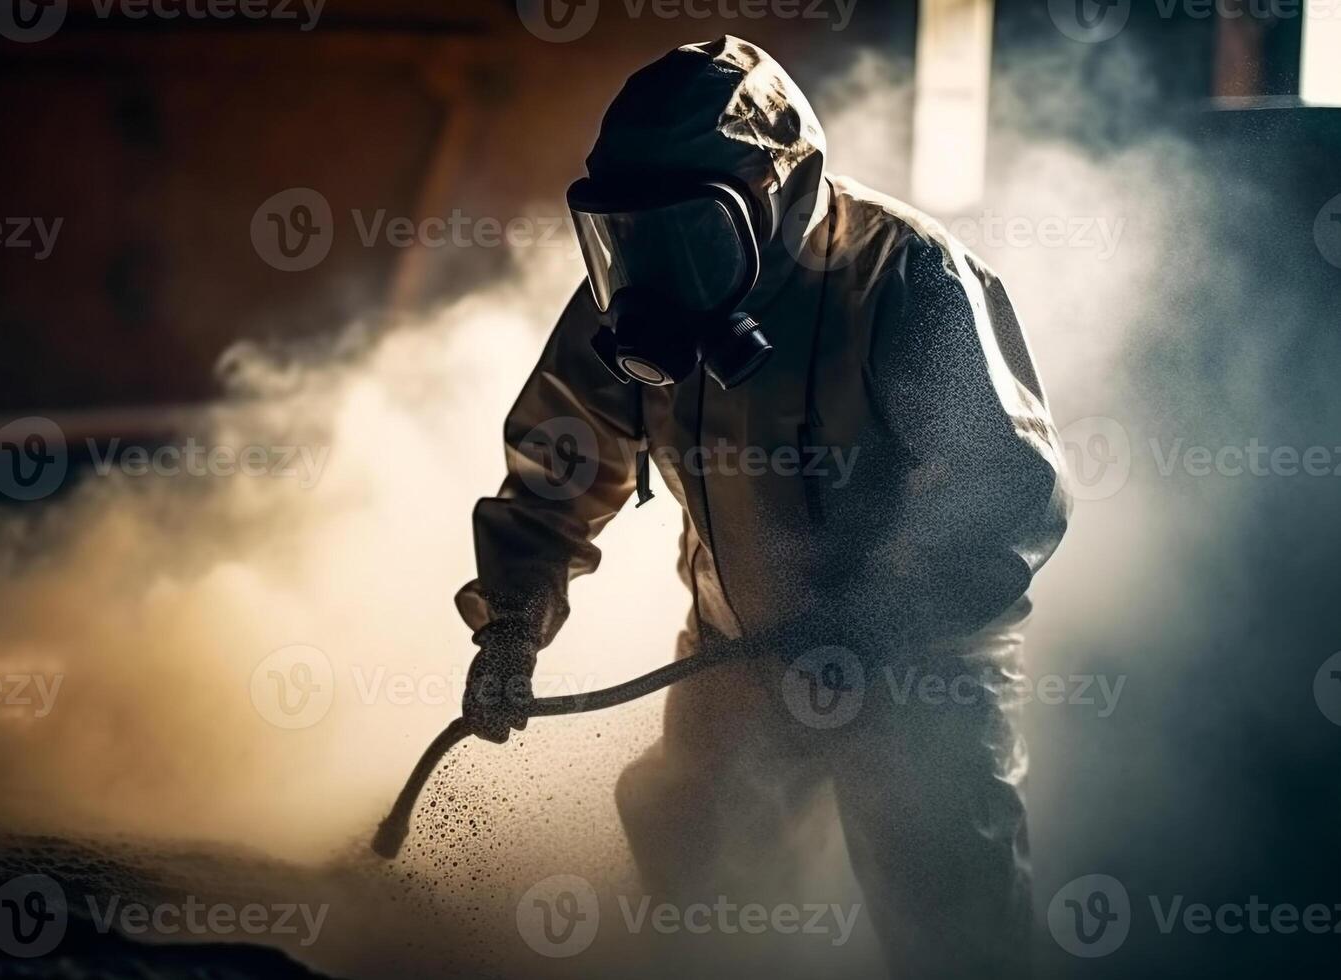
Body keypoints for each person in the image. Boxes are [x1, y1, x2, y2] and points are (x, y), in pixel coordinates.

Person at [456, 36, 1070, 977]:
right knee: (702, 896)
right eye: (632, 231)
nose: (660, 266)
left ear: (775, 195)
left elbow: (1003, 484)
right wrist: (510, 624)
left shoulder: (906, 279)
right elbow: (554, 477)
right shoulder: (625, 307)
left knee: (953, 915)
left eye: (693, 233)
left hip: (916, 666)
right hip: (736, 654)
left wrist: (877, 622)